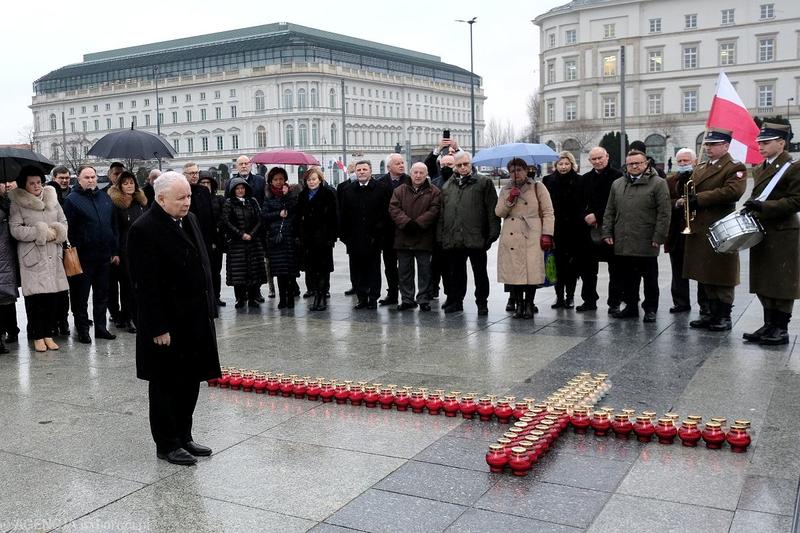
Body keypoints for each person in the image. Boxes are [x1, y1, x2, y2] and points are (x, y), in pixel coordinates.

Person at [127, 171, 220, 466]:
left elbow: (202, 263)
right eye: (181, 197)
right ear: (161, 197)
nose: (187, 202)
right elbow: (144, 284)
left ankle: (185, 435)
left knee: (190, 380)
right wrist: (157, 326)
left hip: (193, 318)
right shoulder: (144, 228)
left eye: (189, 196)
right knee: (166, 384)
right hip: (166, 323)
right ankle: (167, 444)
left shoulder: (188, 219)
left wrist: (209, 305)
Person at [682, 129, 747, 331]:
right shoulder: (701, 167)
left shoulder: (734, 166)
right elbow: (691, 189)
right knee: (705, 272)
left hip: (721, 227)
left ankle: (723, 315)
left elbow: (733, 192)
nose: (708, 148)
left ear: (725, 146)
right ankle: (709, 313)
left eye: (713, 144)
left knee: (723, 274)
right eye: (707, 145)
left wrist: (699, 199)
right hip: (701, 227)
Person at [742, 123, 800, 345]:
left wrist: (764, 207)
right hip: (764, 229)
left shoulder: (793, 167)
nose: (761, 146)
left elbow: (796, 200)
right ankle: (768, 324)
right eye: (760, 143)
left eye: (766, 142)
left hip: (783, 231)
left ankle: (781, 328)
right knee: (764, 279)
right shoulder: (760, 168)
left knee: (782, 281)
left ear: (781, 143)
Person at [602, 150, 671, 322]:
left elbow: (664, 213)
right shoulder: (617, 184)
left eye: (638, 163)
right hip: (623, 239)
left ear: (646, 163)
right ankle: (631, 307)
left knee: (650, 279)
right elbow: (610, 211)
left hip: (647, 239)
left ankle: (650, 309)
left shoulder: (658, 183)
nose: (634, 166)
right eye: (630, 163)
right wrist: (607, 231)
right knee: (628, 278)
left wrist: (659, 236)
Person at [8, 165, 69, 352]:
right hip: (32, 255)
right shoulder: (17, 202)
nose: (36, 186)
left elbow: (64, 221)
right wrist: (40, 232)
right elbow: (16, 229)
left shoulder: (52, 198)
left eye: (38, 182)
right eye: (32, 183)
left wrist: (58, 231)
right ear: (24, 185)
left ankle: (49, 334)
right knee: (35, 300)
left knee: (52, 298)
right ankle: (37, 336)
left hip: (53, 255)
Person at [437, 151, 500, 315]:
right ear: (454, 167)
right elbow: (443, 213)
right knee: (457, 273)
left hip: (476, 236)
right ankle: (457, 301)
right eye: (459, 165)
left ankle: (482, 302)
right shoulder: (447, 186)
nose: (463, 167)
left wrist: (493, 233)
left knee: (480, 272)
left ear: (471, 164)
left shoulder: (483, 182)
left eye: (466, 164)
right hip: (454, 237)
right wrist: (441, 235)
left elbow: (491, 209)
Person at [63, 165, 119, 343]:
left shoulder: (105, 197)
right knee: (81, 296)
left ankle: (101, 328)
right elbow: (68, 229)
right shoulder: (72, 200)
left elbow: (113, 225)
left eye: (93, 177)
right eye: (86, 177)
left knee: (102, 294)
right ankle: (82, 330)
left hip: (103, 255)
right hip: (83, 257)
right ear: (78, 179)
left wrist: (114, 250)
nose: (91, 180)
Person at [496, 158, 554, 319]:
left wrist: (547, 234)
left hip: (532, 233)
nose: (516, 173)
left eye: (519, 170)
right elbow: (499, 213)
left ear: (526, 170)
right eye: (512, 171)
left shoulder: (537, 186)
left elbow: (548, 212)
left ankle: (529, 303)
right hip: (511, 234)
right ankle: (518, 304)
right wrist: (510, 200)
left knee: (532, 271)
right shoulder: (506, 189)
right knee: (514, 272)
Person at [339, 160, 392, 309]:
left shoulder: (382, 188)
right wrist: (346, 237)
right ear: (355, 172)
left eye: (364, 169)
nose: (361, 172)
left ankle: (373, 297)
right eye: (359, 170)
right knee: (357, 270)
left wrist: (379, 234)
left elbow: (386, 214)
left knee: (373, 269)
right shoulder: (348, 190)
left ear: (370, 171)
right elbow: (343, 215)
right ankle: (361, 297)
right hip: (354, 238)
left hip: (373, 238)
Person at [388, 162, 441, 312]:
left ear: (426, 175)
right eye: (415, 172)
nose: (418, 176)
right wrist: (407, 223)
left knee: (424, 271)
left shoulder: (434, 191)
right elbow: (394, 208)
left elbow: (434, 209)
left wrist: (418, 224)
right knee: (404, 271)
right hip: (403, 237)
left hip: (423, 237)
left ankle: (423, 299)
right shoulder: (399, 190)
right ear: (411, 174)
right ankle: (407, 299)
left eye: (421, 173)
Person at [543, 151, 589, 310]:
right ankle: (559, 296)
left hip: (574, 230)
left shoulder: (580, 180)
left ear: (572, 164)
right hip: (555, 229)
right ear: (555, 165)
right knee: (557, 264)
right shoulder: (547, 181)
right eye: (560, 164)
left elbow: (583, 203)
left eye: (566, 164)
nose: (563, 167)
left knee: (572, 266)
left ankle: (570, 297)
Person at [581, 147, 624, 313]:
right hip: (589, 230)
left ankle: (614, 302)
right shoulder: (585, 179)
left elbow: (616, 204)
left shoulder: (618, 177)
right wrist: (585, 216)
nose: (597, 161)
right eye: (594, 159)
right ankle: (589, 300)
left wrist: (597, 216)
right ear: (589, 161)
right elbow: (579, 202)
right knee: (588, 270)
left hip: (610, 229)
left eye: (600, 158)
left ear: (607, 157)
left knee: (615, 269)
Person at [108, 171, 147, 333]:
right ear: (120, 186)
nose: (129, 185)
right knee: (126, 286)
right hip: (123, 249)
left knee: (137, 285)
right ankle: (127, 317)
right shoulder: (116, 205)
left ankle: (134, 315)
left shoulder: (140, 203)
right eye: (125, 183)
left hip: (140, 249)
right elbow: (113, 229)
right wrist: (114, 252)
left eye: (132, 182)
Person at [296, 168, 338, 311]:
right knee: (312, 269)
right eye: (309, 180)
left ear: (320, 179)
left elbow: (334, 217)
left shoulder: (328, 194)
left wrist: (331, 237)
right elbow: (298, 216)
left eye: (314, 179)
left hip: (323, 239)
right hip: (308, 240)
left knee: (323, 269)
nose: (311, 182)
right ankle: (315, 296)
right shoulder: (302, 195)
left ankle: (321, 298)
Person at [221, 177, 267, 308]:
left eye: (242, 188)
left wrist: (251, 234)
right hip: (237, 243)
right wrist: (241, 234)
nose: (240, 191)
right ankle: (240, 298)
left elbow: (259, 219)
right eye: (237, 188)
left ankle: (253, 298)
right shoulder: (229, 203)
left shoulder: (252, 201)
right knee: (239, 273)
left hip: (253, 242)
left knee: (253, 271)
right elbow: (226, 221)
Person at [664, 148, 700, 314]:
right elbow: (664, 201)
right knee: (677, 269)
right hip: (677, 231)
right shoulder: (670, 180)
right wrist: (676, 203)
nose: (683, 164)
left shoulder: (699, 178)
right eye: (680, 161)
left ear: (694, 161)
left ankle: (705, 305)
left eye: (686, 161)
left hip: (697, 230)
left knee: (700, 270)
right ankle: (680, 302)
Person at [183, 163, 222, 306]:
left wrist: (214, 239)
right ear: (185, 175)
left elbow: (211, 216)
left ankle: (212, 299)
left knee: (210, 270)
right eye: (191, 173)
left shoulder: (204, 191)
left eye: (196, 172)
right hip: (190, 237)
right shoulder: (183, 190)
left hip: (206, 237)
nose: (194, 175)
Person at [263, 167, 300, 309]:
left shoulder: (291, 194)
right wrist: (278, 213)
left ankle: (290, 297)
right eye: (275, 179)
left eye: (281, 179)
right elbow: (264, 215)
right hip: (276, 239)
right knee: (279, 271)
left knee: (289, 271)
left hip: (289, 238)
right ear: (271, 181)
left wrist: (287, 196)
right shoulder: (268, 196)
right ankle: (282, 298)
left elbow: (295, 211)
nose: (278, 182)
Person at [375, 153, 410, 306]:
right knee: (389, 266)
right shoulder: (380, 183)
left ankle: (407, 296)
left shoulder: (409, 181)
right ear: (389, 167)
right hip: (387, 232)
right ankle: (393, 294)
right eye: (397, 163)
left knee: (405, 266)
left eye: (402, 162)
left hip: (405, 230)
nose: (401, 165)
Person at [429, 152, 457, 301]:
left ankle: (450, 293)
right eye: (443, 165)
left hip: (454, 231)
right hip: (436, 232)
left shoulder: (459, 182)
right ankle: (433, 289)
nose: (446, 167)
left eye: (449, 165)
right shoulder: (434, 183)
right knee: (435, 264)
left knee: (450, 267)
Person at [198, 171, 226, 307]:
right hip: (202, 239)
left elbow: (223, 216)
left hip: (216, 239)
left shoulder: (218, 199)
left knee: (216, 270)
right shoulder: (195, 199)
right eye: (203, 183)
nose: (205, 185)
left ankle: (216, 295)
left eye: (208, 183)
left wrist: (217, 227)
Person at [0, 181, 19, 353]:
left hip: (7, 256)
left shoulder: (8, 202)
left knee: (7, 296)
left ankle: (12, 329)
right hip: (3, 256)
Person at [337, 161, 358, 296]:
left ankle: (366, 285)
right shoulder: (342, 186)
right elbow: (340, 209)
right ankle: (355, 284)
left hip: (366, 231)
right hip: (351, 230)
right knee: (353, 260)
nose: (354, 170)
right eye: (352, 167)